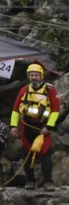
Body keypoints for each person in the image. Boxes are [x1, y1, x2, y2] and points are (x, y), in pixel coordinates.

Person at [9, 62, 59, 190]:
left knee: (45, 154)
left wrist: (48, 127)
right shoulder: (24, 90)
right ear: (28, 76)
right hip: (26, 126)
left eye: (36, 75)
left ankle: (48, 182)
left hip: (42, 127)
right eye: (31, 75)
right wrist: (13, 126)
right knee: (27, 154)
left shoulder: (49, 90)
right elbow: (15, 110)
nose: (34, 77)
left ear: (41, 75)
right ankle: (30, 181)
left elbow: (55, 110)